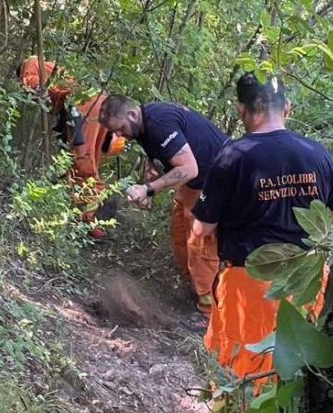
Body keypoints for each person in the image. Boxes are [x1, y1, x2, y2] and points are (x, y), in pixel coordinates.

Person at [191, 72, 333, 379]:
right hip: (308, 283)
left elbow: (201, 230)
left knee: (245, 372)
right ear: (286, 106)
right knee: (299, 373)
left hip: (250, 284)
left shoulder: (233, 156)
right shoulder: (319, 155)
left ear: (241, 109)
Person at [98, 96, 227, 315]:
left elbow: (188, 168)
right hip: (195, 183)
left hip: (217, 180)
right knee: (179, 234)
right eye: (115, 132)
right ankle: (196, 291)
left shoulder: (159, 123)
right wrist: (150, 186)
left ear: (131, 114)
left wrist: (148, 189)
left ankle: (210, 311)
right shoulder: (142, 126)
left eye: (120, 129)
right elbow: (158, 159)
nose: (120, 135)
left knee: (200, 244)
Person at [16, 56, 126, 229]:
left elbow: (33, 84)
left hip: (84, 106)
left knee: (82, 162)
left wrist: (34, 91)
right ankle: (87, 214)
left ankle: (94, 221)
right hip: (98, 102)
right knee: (83, 161)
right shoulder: (54, 68)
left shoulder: (30, 62)